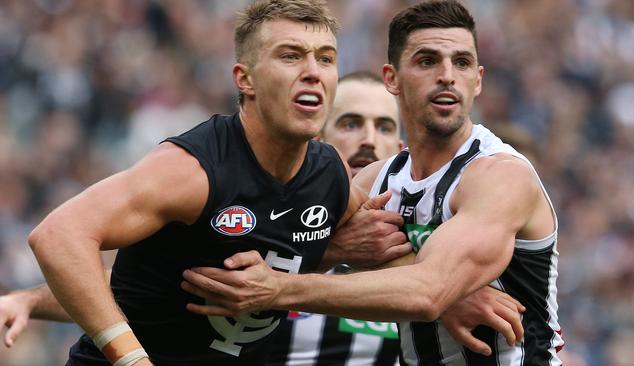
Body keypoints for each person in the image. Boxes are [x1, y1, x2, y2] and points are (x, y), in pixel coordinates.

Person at [0, 1, 526, 364]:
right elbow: (58, 237)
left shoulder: (330, 175)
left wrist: (446, 294)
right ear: (244, 79)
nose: (312, 71)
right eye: (290, 56)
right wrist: (131, 359)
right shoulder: (193, 168)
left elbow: (380, 253)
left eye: (326, 59)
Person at [179, 1, 565, 365]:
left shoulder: (500, 175)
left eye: (462, 62)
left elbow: (428, 292)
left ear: (478, 80)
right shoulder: (377, 180)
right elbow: (301, 247)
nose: (447, 75)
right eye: (427, 61)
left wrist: (278, 288)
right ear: (391, 79)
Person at [268, 70, 404, 365]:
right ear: (315, 140)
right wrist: (332, 252)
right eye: (351, 123)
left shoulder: (426, 244)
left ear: (400, 151)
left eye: (384, 127)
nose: (368, 140)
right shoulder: (269, 220)